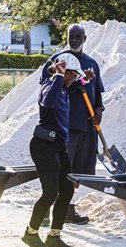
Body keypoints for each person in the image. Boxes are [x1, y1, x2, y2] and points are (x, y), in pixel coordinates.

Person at [39, 23, 105, 225]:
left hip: (87, 128)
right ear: (66, 37)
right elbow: (49, 91)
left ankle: (67, 209)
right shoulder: (57, 61)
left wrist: (99, 111)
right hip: (64, 127)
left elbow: (98, 97)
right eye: (71, 36)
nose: (74, 40)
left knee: (77, 173)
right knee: (59, 171)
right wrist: (76, 81)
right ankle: (44, 212)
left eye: (78, 37)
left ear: (85, 39)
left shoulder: (92, 64)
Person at [22, 53, 85, 247]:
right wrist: (58, 75)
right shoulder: (50, 85)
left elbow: (74, 86)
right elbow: (48, 102)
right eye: (73, 75)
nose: (75, 79)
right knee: (50, 193)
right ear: (65, 73)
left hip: (58, 147)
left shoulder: (65, 88)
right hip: (44, 146)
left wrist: (85, 78)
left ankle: (54, 236)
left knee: (66, 190)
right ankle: (30, 233)